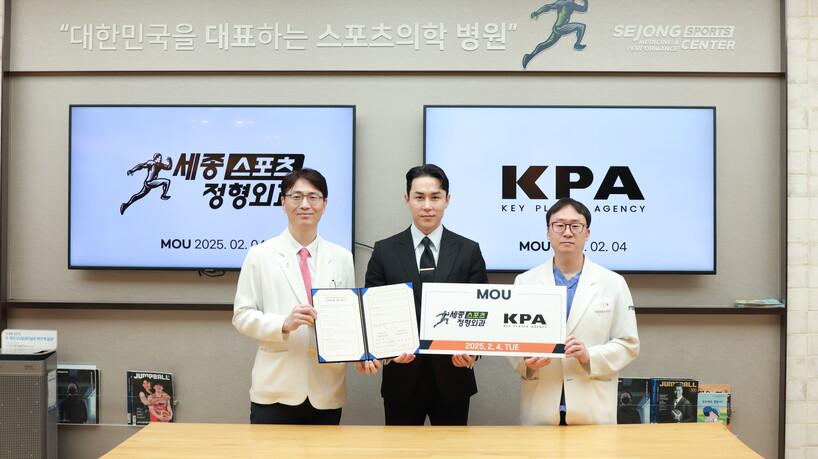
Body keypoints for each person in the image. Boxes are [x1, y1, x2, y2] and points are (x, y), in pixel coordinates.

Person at [361, 164, 488, 426]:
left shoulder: (468, 251)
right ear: (407, 199)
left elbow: (482, 312)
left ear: (447, 199)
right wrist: (386, 352)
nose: (427, 205)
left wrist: (472, 352)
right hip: (401, 378)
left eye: (435, 197)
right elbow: (373, 312)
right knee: (401, 448)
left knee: (452, 448)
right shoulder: (384, 251)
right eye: (419, 197)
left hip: (454, 378)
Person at [233, 168, 356, 425]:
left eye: (313, 197)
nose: (305, 204)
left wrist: (364, 353)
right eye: (296, 197)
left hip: (326, 389)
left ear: (325, 203)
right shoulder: (260, 255)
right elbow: (242, 316)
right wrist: (283, 324)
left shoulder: (342, 258)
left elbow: (349, 320)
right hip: (275, 388)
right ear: (283, 202)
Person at [510, 197, 639, 425]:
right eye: (559, 225)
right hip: (541, 403)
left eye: (575, 226)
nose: (567, 233)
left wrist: (590, 355)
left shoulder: (613, 283)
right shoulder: (525, 282)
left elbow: (629, 344)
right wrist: (526, 361)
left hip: (593, 406)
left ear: (587, 233)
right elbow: (511, 340)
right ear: (548, 232)